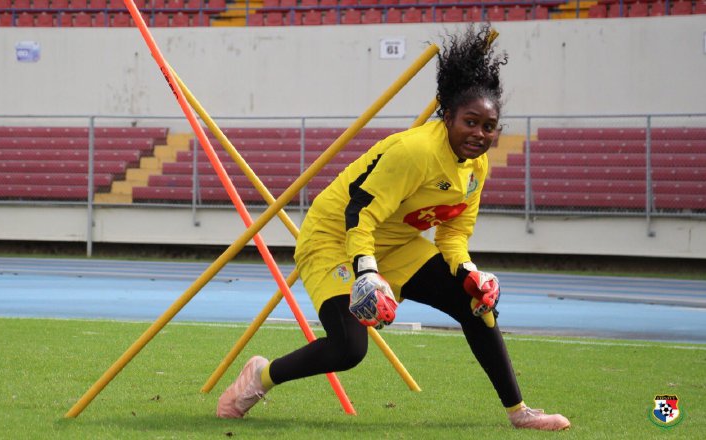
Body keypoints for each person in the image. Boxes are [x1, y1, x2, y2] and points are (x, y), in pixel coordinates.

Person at [216, 24, 571, 431]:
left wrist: (469, 273)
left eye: (488, 127)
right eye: (469, 122)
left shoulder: (477, 166)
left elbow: (453, 234)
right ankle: (260, 377)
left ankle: (519, 412)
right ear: (447, 116)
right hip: (336, 237)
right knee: (350, 348)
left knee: (476, 305)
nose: (479, 134)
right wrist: (366, 272)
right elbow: (359, 214)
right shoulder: (415, 151)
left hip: (396, 243)